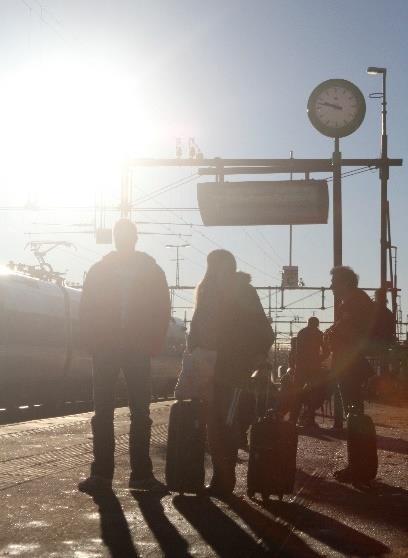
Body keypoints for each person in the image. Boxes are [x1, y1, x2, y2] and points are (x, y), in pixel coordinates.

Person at [78, 219, 171, 493]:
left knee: (139, 413)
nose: (123, 240)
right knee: (104, 413)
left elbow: (162, 309)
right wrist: (92, 342)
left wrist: (154, 342)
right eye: (120, 235)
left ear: (134, 238)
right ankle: (103, 475)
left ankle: (139, 475)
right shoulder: (99, 270)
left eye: (127, 235)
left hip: (137, 348)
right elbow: (87, 309)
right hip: (106, 347)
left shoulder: (151, 271)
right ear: (116, 238)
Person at [189, 249, 274, 497]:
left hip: (232, 366)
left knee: (223, 422)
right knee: (220, 422)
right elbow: (196, 327)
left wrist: (253, 355)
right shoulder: (210, 293)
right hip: (216, 367)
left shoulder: (233, 292)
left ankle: (223, 479)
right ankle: (222, 477)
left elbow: (262, 330)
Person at [325, 265, 376, 482]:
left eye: (334, 282)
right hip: (351, 364)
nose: (331, 287)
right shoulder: (356, 300)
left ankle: (358, 468)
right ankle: (359, 466)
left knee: (354, 415)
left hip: (350, 365)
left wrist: (330, 334)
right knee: (354, 415)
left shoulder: (354, 302)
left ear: (344, 282)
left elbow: (346, 332)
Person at [289, 317, 329, 427]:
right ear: (317, 324)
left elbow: (297, 352)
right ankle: (309, 420)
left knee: (297, 393)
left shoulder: (301, 333)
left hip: (300, 367)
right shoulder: (319, 334)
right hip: (314, 368)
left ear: (308, 323)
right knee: (313, 393)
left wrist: (296, 365)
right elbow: (326, 351)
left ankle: (293, 419)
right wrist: (318, 359)